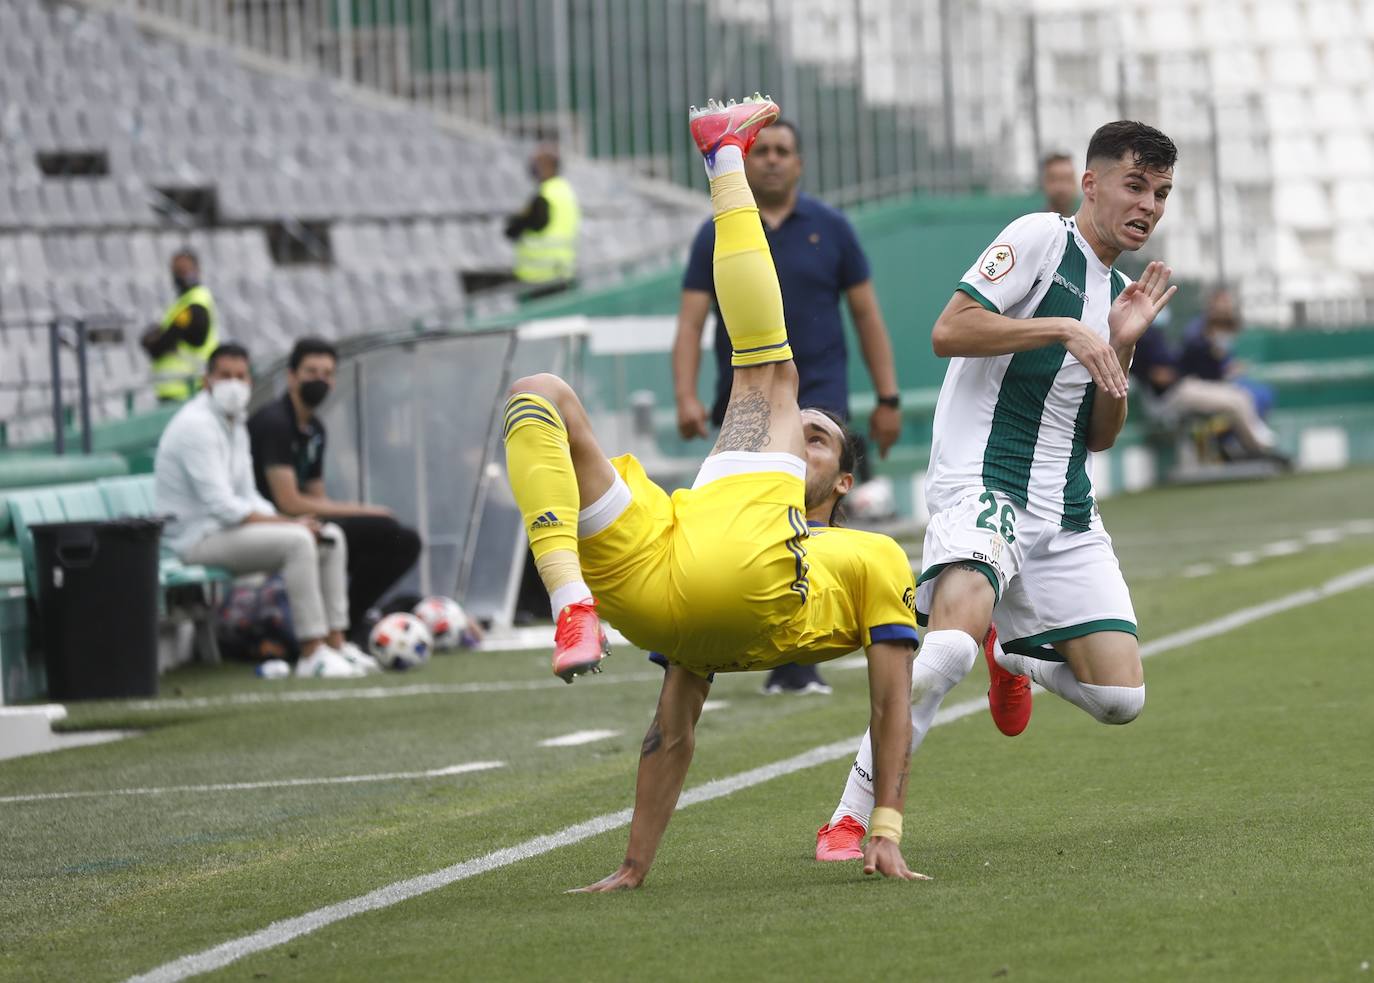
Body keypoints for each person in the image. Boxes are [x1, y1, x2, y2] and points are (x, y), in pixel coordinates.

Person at [504, 97, 923, 889]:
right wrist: (633, 866)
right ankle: (569, 602)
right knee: (540, 391)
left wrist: (886, 826)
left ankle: (722, 156)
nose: (801, 430)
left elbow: (891, 705)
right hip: (660, 573)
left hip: (752, 575)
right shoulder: (744, 498)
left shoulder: (871, 553)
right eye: (805, 427)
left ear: (841, 484)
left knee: (769, 368)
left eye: (819, 436)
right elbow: (672, 732)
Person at [814, 121, 1180, 862]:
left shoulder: (1117, 288)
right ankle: (852, 816)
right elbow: (949, 330)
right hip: (986, 479)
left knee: (1121, 699)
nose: (1148, 205)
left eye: (1162, 193)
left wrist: (1124, 341)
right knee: (945, 649)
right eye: (1135, 186)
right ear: (1092, 184)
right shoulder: (1043, 239)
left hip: (1066, 505)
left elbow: (1102, 434)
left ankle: (1013, 654)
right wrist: (1064, 331)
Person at [672, 117, 902, 696]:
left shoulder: (834, 228)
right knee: (749, 521)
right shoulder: (716, 233)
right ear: (746, 164)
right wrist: (684, 394)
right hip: (746, 400)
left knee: (812, 514)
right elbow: (692, 320)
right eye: (762, 150)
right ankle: (715, 645)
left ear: (799, 163)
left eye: (783, 151)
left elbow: (868, 315)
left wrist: (888, 397)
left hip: (820, 397)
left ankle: (799, 649)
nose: (772, 159)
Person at [154, 343, 378, 678]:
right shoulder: (196, 427)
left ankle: (335, 643)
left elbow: (248, 495)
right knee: (298, 541)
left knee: (330, 535)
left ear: (250, 380)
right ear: (207, 381)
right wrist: (290, 523)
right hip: (194, 540)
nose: (233, 383)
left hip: (225, 532)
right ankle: (310, 652)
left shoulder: (235, 423)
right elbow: (223, 506)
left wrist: (295, 522)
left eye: (240, 376)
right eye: (225, 375)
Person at [248, 338, 423, 641]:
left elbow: (317, 499)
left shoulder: (315, 429)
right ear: (291, 376)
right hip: (272, 522)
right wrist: (365, 510)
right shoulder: (274, 423)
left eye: (327, 374)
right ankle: (336, 630)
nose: (320, 380)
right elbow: (289, 502)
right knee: (390, 533)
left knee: (399, 538)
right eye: (311, 372)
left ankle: (346, 624)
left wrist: (365, 515)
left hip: (305, 521)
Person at [504, 142, 582, 298]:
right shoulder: (566, 192)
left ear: (549, 166)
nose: (533, 168)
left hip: (541, 279)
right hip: (563, 273)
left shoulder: (544, 197)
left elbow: (513, 229)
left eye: (537, 164)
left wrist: (516, 219)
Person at [141, 250, 219, 403]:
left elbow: (161, 344)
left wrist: (157, 340)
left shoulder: (195, 302)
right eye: (177, 271)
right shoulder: (182, 302)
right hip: (176, 388)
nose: (181, 275)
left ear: (197, 270)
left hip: (188, 388)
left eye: (185, 270)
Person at [1041, 152, 1079, 217]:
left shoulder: (1088, 224)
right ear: (1045, 182)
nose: (1062, 187)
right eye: (1055, 179)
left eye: (1067, 179)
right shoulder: (1032, 224)